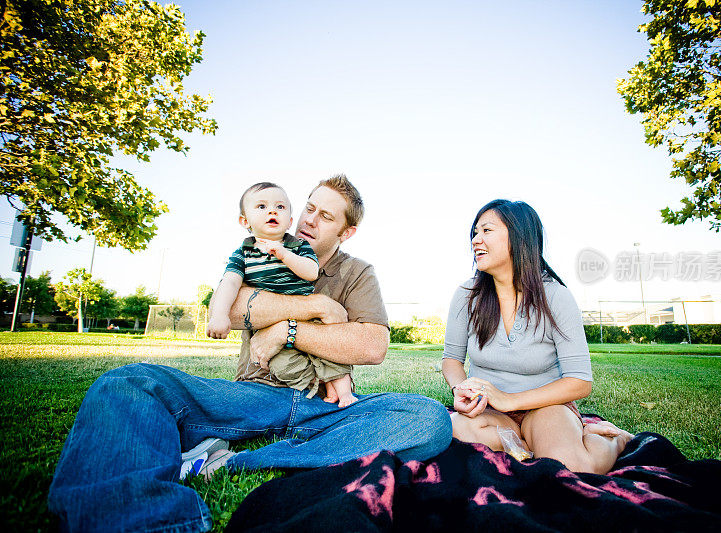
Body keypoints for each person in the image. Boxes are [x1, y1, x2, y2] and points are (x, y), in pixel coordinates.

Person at [48, 175, 452, 533]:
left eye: (326, 217)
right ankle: (150, 521)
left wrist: (286, 331)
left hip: (325, 406)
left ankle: (232, 462)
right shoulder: (260, 247)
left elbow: (372, 345)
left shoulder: (358, 272)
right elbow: (237, 308)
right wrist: (315, 309)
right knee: (128, 383)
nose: (309, 220)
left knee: (429, 419)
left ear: (346, 232)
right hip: (251, 395)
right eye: (308, 208)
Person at [442, 199, 632, 475]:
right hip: (489, 412)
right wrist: (461, 390)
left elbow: (579, 381)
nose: (475, 240)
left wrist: (510, 400)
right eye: (474, 233)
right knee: (452, 437)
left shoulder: (556, 296)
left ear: (519, 237)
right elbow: (451, 360)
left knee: (572, 469)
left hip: (545, 408)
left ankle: (613, 439)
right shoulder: (466, 295)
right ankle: (527, 447)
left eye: (486, 231)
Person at [207, 181, 356, 407]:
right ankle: (319, 386)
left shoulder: (296, 246)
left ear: (289, 220)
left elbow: (310, 271)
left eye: (280, 207)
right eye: (261, 207)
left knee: (330, 355)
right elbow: (229, 284)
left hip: (310, 320)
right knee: (283, 366)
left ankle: (345, 394)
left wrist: (284, 254)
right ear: (244, 221)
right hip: (269, 328)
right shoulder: (243, 254)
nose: (272, 211)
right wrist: (219, 315)